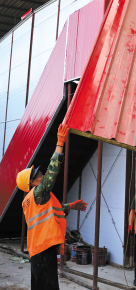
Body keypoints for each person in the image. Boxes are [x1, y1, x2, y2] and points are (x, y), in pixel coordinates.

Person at [16, 124, 88, 290]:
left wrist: (70, 206)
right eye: (37, 175)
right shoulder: (38, 192)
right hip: (43, 247)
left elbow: (50, 210)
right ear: (32, 183)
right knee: (48, 285)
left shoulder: (31, 199)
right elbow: (52, 173)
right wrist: (60, 143)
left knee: (40, 284)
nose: (41, 175)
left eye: (39, 174)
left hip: (38, 249)